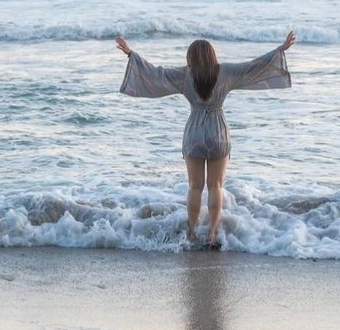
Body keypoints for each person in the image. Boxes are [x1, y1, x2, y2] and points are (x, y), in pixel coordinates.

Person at [116, 32, 295, 248]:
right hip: (218, 131)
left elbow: (155, 74)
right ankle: (211, 232)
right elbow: (254, 66)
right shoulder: (226, 72)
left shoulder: (184, 75)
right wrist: (280, 50)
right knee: (215, 186)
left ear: (191, 58)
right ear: (212, 55)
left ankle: (191, 233)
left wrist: (131, 54)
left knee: (195, 186)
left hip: (194, 133)